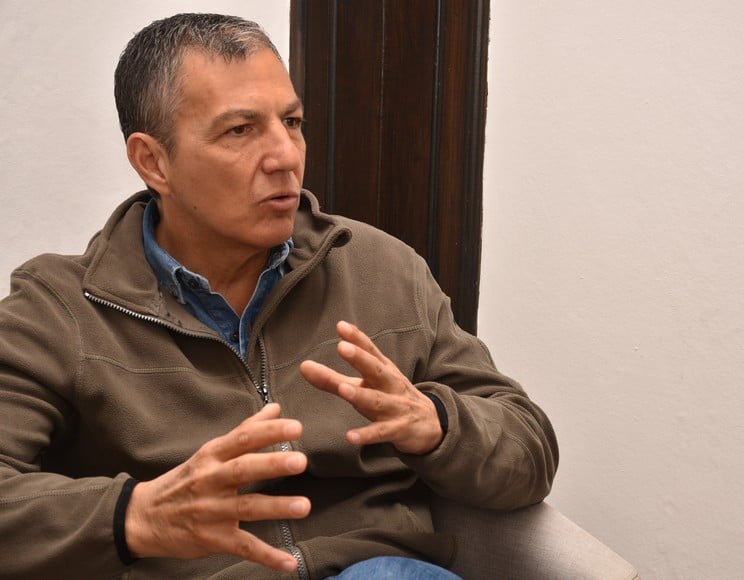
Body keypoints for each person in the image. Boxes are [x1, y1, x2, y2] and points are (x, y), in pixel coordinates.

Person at [0, 13, 558, 579]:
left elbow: (530, 452)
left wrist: (437, 423)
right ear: (153, 161)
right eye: (239, 130)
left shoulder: (381, 269)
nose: (286, 156)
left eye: (291, 122)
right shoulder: (60, 309)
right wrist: (131, 517)